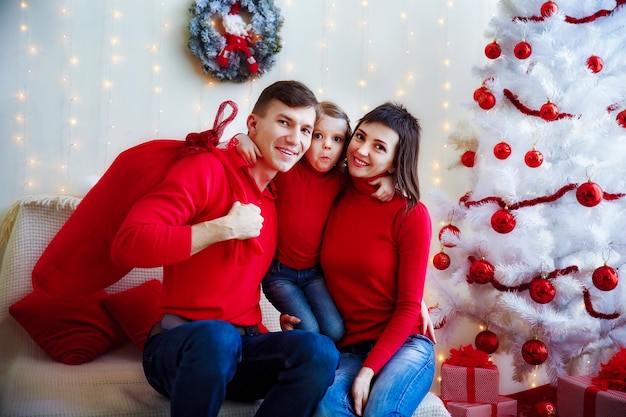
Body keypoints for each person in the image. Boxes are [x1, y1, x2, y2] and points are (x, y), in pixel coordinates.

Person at [109, 80, 340, 417]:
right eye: (284, 122)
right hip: (178, 347)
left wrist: (269, 334)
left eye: (306, 129)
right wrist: (220, 229)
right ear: (252, 124)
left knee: (319, 350)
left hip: (241, 349)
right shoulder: (204, 169)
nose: (296, 139)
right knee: (218, 337)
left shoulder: (276, 197)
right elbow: (127, 244)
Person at [307, 102, 435, 417]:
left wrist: (369, 372)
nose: (361, 150)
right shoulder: (331, 191)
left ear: (394, 162)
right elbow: (301, 136)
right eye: (360, 137)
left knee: (380, 412)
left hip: (405, 346)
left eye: (379, 146)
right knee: (326, 408)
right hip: (349, 349)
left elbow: (408, 308)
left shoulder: (411, 214)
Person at [234, 101, 395, 342]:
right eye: (318, 135)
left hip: (314, 273)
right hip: (279, 274)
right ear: (306, 136)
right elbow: (258, 144)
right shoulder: (286, 168)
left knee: (335, 331)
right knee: (309, 330)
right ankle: (300, 358)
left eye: (338, 139)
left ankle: (327, 367)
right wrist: (242, 138)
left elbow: (374, 178)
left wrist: (390, 181)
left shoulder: (342, 180)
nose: (327, 146)